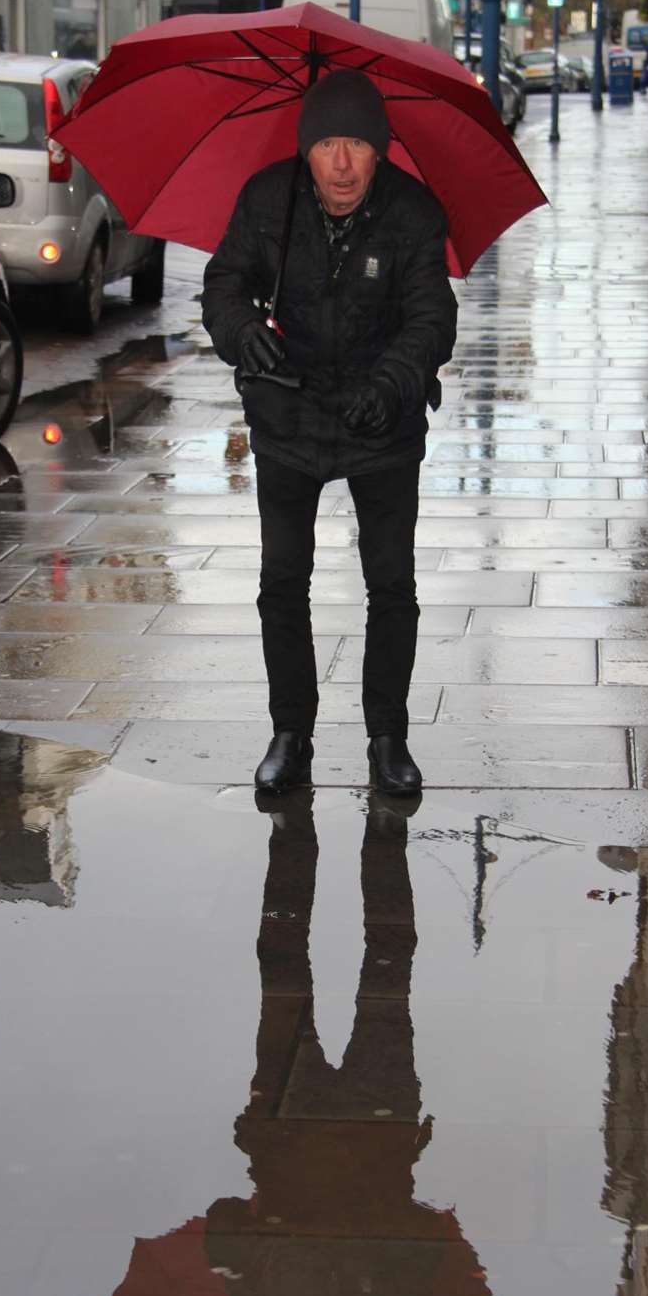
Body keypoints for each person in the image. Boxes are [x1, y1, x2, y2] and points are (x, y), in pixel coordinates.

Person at [202, 70, 458, 796]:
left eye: (357, 145)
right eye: (326, 145)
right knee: (282, 580)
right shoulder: (267, 200)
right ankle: (292, 731)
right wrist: (243, 330)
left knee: (391, 584)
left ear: (380, 151)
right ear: (305, 149)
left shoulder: (413, 212)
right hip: (289, 415)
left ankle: (388, 738)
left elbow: (431, 317)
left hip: (383, 421)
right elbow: (222, 284)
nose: (341, 163)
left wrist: (395, 382)